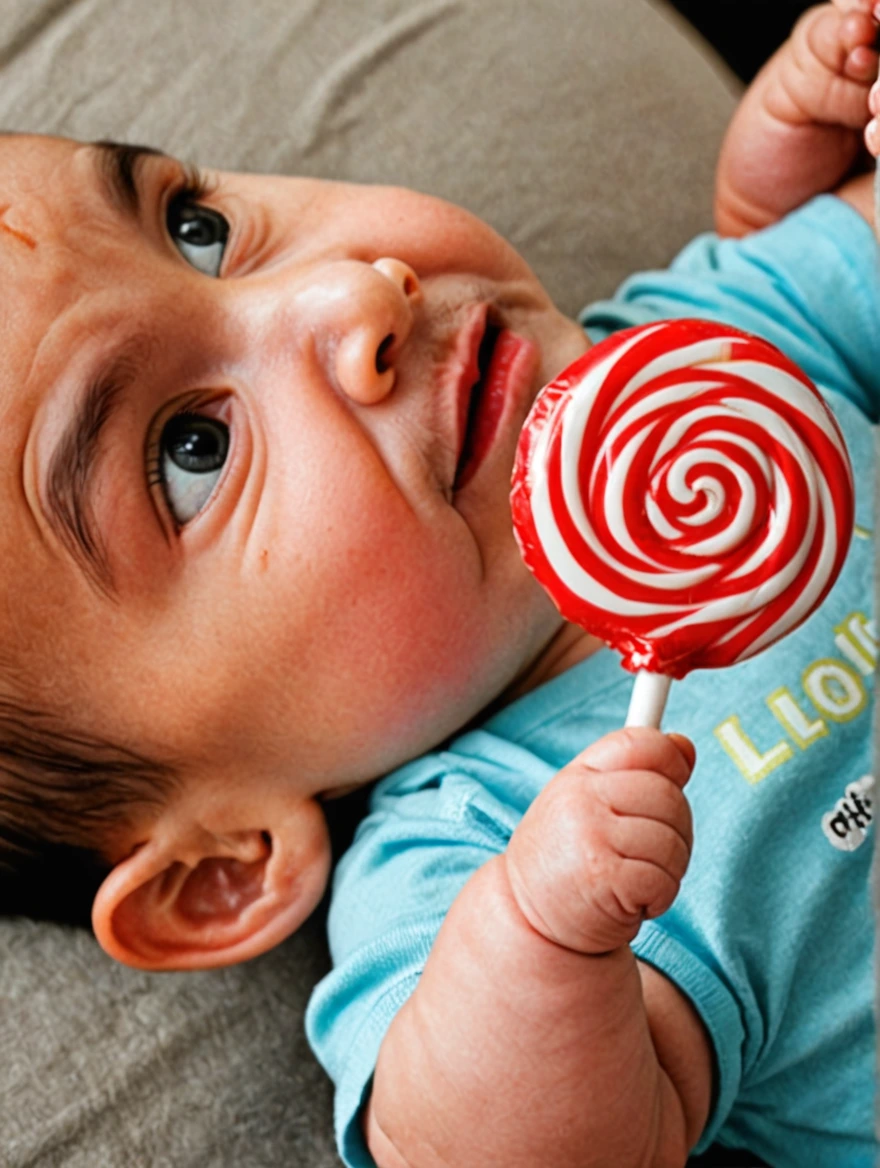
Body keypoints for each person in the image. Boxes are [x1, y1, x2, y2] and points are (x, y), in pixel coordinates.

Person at [0, 0, 875, 1163]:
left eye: (199, 226)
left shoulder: (690, 353)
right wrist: (546, 949)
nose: (356, 296)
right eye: (189, 452)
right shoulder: (465, 865)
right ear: (222, 868)